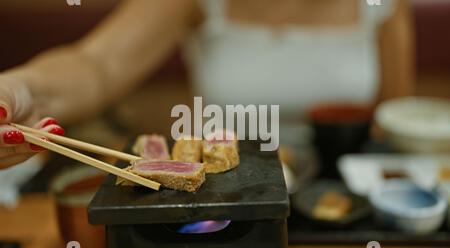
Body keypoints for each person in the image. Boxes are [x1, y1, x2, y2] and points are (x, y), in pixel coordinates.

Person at [0, 0, 414, 168]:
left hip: (342, 201)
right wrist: (21, 88)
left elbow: (396, 122)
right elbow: (96, 64)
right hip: (223, 196)